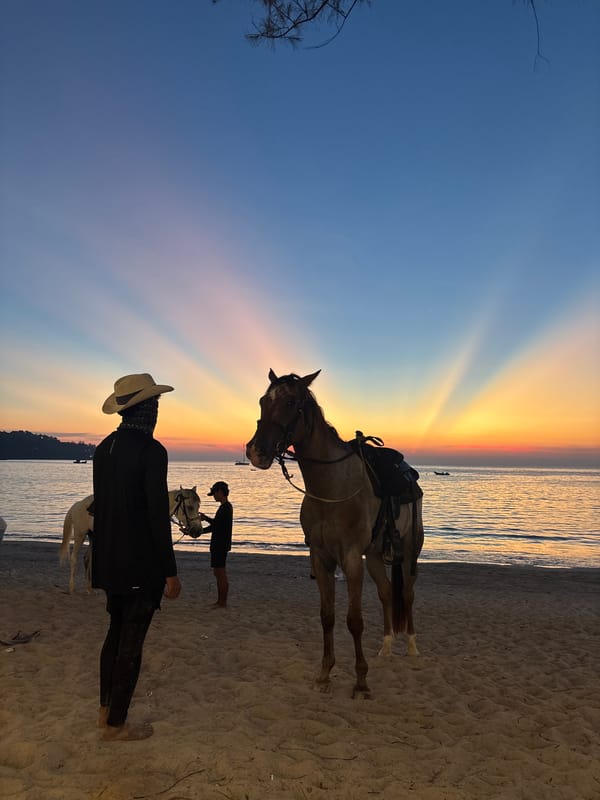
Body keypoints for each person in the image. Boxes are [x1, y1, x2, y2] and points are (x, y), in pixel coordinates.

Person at [92, 373, 182, 742]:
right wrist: (170, 572)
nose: (157, 412)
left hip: (109, 559)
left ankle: (105, 711)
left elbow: (104, 507)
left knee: (115, 632)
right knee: (132, 640)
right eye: (155, 405)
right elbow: (156, 516)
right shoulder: (151, 450)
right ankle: (116, 724)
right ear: (146, 409)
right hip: (140, 563)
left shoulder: (103, 448)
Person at [200, 481, 233, 608]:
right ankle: (220, 601)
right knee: (218, 573)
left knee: (220, 573)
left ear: (220, 492)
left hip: (220, 545)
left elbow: (216, 526)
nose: (213, 496)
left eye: (214, 493)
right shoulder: (225, 507)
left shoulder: (225, 508)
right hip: (220, 544)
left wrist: (199, 531)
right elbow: (217, 524)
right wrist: (205, 519)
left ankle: (222, 602)